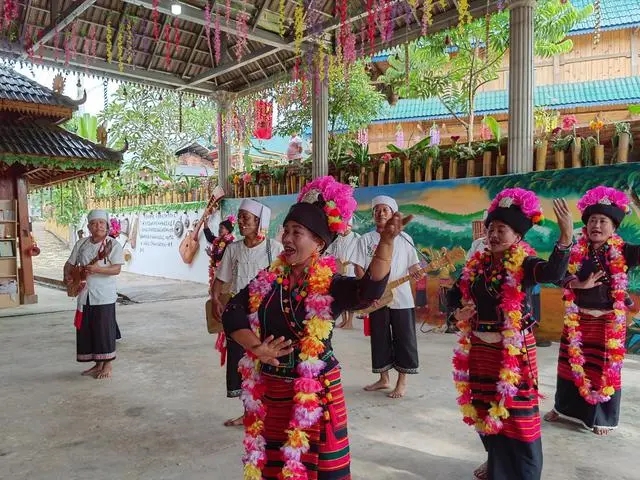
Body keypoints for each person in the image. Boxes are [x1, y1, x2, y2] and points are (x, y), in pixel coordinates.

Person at [222, 176, 406, 480]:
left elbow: (367, 292)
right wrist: (255, 347)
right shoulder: (269, 278)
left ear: (319, 242)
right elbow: (233, 311)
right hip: (272, 390)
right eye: (287, 230)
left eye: (298, 232)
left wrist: (385, 245)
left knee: (317, 470)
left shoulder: (329, 284)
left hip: (316, 393)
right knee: (275, 466)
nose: (288, 238)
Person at [448, 189, 573, 480]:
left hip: (512, 352)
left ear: (517, 236)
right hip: (479, 349)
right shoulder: (476, 265)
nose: (493, 235)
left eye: (501, 230)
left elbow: (552, 272)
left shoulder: (525, 264)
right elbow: (453, 296)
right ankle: (496, 462)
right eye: (490, 229)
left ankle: (525, 473)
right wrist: (457, 313)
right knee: (482, 408)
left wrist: (565, 237)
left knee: (517, 416)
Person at [544, 186, 639, 436]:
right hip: (577, 319)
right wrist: (578, 284)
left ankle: (602, 419)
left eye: (603, 221)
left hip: (608, 322)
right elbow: (556, 276)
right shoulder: (575, 248)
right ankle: (562, 408)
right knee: (569, 366)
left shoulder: (625, 251)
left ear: (614, 227)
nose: (596, 225)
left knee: (604, 370)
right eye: (593, 220)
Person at [211, 199, 283, 427]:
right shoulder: (233, 249)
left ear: (259, 222)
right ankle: (247, 413)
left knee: (267, 364)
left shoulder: (275, 249)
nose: (241, 222)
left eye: (246, 218)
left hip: (266, 316)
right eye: (240, 217)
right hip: (238, 316)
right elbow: (220, 279)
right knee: (243, 365)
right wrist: (215, 299)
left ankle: (269, 413)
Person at [353, 195, 424, 399]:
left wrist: (418, 271)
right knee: (379, 338)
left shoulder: (406, 238)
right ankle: (383, 379)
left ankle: (402, 382)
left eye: (385, 210)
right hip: (376, 299)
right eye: (377, 210)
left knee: (404, 339)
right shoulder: (366, 239)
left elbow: (414, 265)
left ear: (393, 214)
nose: (380, 213)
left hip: (401, 297)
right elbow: (358, 267)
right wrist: (366, 293)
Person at [63, 209, 125, 380]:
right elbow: (69, 263)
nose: (98, 226)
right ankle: (97, 364)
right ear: (89, 226)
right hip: (84, 294)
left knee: (104, 329)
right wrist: (68, 276)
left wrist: (98, 269)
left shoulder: (112, 244)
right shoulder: (81, 244)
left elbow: (117, 268)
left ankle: (108, 364)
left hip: (103, 294)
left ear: (107, 226)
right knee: (88, 329)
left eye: (102, 223)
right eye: (94, 223)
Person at [325, 217, 360, 328]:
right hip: (339, 269)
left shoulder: (357, 238)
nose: (343, 229)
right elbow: (329, 252)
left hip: (351, 269)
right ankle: (344, 320)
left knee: (350, 294)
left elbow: (360, 254)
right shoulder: (337, 238)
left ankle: (350, 321)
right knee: (341, 294)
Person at [203, 213, 236, 294]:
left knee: (221, 293)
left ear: (228, 230)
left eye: (222, 228)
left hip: (224, 272)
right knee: (215, 292)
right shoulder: (219, 240)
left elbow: (222, 257)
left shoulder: (229, 242)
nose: (219, 230)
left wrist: (211, 254)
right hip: (218, 270)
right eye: (219, 228)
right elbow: (210, 238)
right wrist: (206, 225)